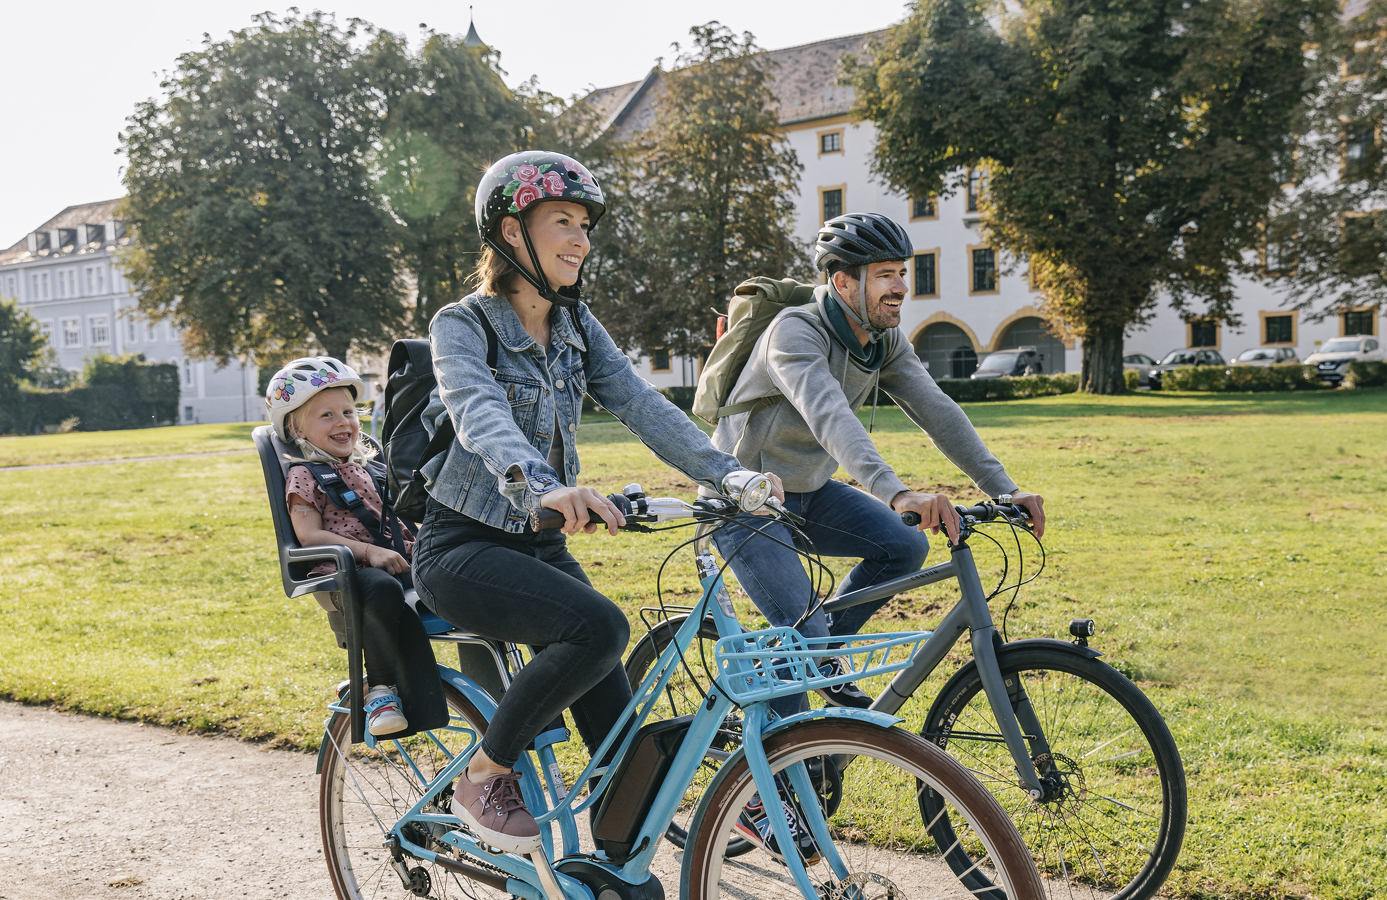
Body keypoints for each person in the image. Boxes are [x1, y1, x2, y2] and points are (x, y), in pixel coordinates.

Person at [409, 150, 812, 863]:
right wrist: (543, 486)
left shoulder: (574, 324)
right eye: (562, 221)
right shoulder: (461, 323)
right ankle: (484, 775)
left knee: (617, 724)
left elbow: (638, 402)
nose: (581, 240)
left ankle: (618, 873)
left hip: (536, 547)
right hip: (460, 547)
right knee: (599, 629)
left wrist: (729, 475)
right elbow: (478, 412)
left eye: (586, 225)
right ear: (510, 232)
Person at [708, 212, 1047, 716]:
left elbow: (938, 411)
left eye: (902, 272)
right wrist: (897, 492)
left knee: (903, 544)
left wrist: (1004, 487)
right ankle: (771, 786)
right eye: (885, 274)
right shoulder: (794, 332)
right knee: (806, 633)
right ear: (843, 280)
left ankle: (818, 659)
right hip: (748, 503)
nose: (901, 287)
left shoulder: (881, 339)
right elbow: (830, 415)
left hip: (809, 493)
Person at [270, 357, 443, 739]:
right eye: (326, 415)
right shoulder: (305, 474)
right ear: (296, 427)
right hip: (347, 571)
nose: (342, 422)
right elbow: (309, 536)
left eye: (348, 411)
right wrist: (369, 554)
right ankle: (380, 690)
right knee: (381, 587)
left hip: (398, 559)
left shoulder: (372, 466)